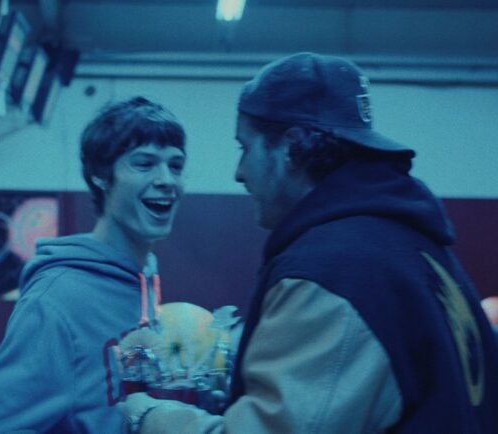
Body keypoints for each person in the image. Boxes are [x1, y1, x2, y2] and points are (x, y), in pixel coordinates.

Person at [120, 52, 498, 433]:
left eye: (244, 148)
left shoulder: (337, 272)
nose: (238, 173)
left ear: (291, 147)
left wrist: (146, 416)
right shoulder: (418, 251)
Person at [0, 97, 187, 433]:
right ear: (102, 176)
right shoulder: (57, 299)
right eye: (144, 164)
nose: (167, 180)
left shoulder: (142, 279)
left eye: (175, 165)